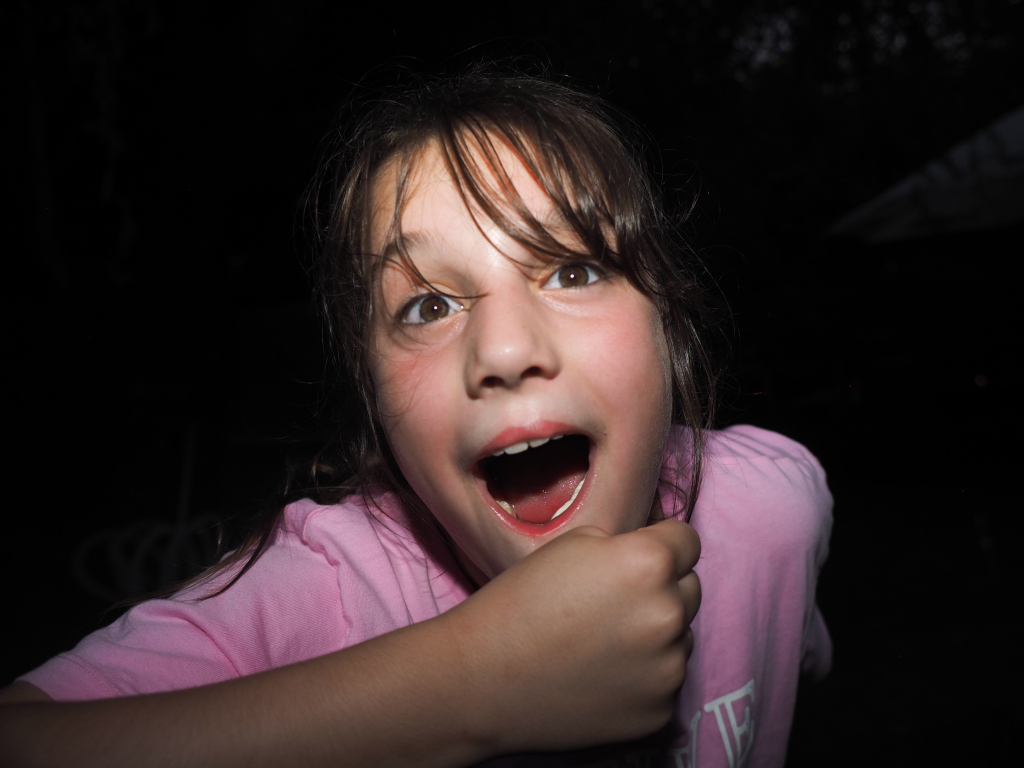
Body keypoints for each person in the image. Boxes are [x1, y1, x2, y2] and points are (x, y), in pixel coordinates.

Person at [0, 64, 832, 767]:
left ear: (668, 325)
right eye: (429, 306)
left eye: (572, 271)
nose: (505, 349)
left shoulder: (775, 503)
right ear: (373, 398)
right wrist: (470, 687)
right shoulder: (319, 596)